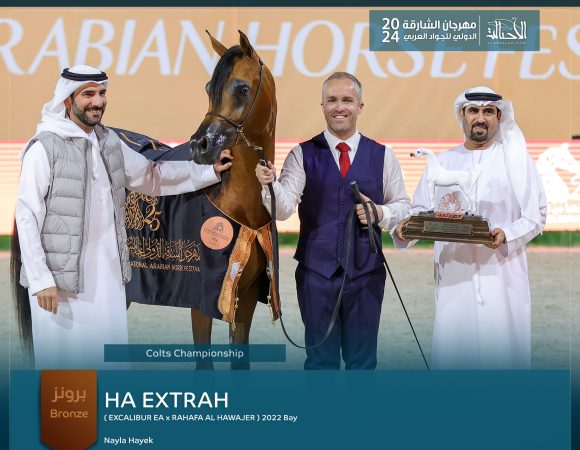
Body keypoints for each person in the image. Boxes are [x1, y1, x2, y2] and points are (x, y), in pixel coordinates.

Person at [15, 65, 233, 369]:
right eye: (88, 94)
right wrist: (40, 280)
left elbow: (152, 176)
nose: (98, 101)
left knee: (108, 366)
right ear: (67, 100)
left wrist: (208, 172)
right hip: (61, 285)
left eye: (102, 93)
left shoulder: (109, 142)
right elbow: (27, 215)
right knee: (64, 372)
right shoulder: (44, 147)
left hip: (108, 280)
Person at [256, 72, 410, 370]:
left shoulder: (384, 155)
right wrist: (269, 184)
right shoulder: (301, 154)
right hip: (316, 275)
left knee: (362, 363)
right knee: (320, 363)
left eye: (347, 100)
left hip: (366, 275)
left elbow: (403, 206)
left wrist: (380, 213)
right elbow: (283, 209)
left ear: (360, 106)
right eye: (332, 100)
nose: (339, 107)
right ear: (323, 105)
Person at [394, 86, 547, 370]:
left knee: (504, 359)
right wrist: (405, 230)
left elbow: (537, 215)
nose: (480, 118)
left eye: (488, 111)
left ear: (499, 117)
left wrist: (507, 235)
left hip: (501, 275)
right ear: (462, 115)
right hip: (455, 277)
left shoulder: (517, 162)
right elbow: (420, 210)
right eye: (474, 111)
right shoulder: (444, 161)